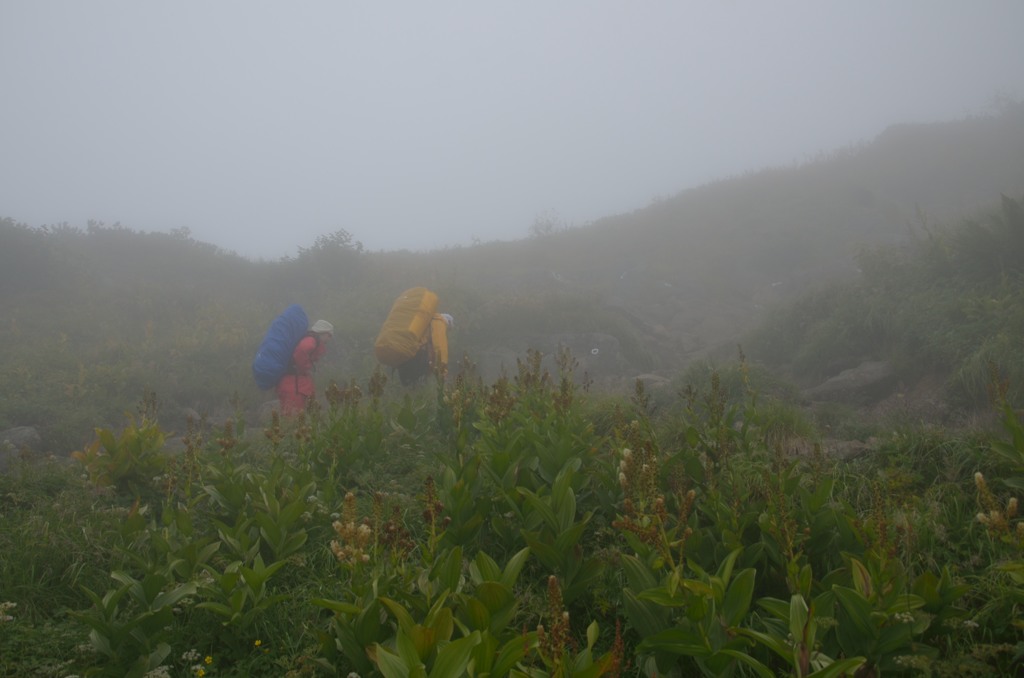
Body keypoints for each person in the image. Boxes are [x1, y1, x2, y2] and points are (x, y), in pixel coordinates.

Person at [277, 319, 333, 415]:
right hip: (294, 385)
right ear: (323, 333)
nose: (329, 339)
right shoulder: (311, 340)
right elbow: (301, 351)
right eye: (329, 335)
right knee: (293, 418)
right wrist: (305, 368)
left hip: (292, 384)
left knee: (293, 418)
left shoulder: (311, 340)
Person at [398, 312, 453, 386]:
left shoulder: (427, 321)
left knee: (408, 390)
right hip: (417, 357)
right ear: (448, 322)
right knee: (418, 390)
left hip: (405, 355)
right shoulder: (440, 322)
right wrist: (443, 372)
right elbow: (440, 349)